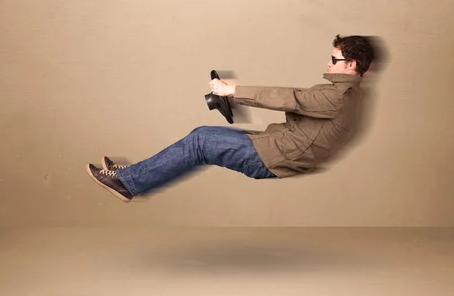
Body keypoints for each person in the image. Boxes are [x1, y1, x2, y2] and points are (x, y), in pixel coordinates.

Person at [86, 34, 377, 202]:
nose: (328, 63)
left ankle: (127, 182)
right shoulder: (345, 94)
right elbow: (301, 104)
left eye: (334, 59)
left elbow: (291, 97)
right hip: (276, 147)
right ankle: (133, 173)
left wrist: (232, 90)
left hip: (274, 156)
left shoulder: (339, 97)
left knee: (200, 140)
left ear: (351, 64)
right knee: (202, 140)